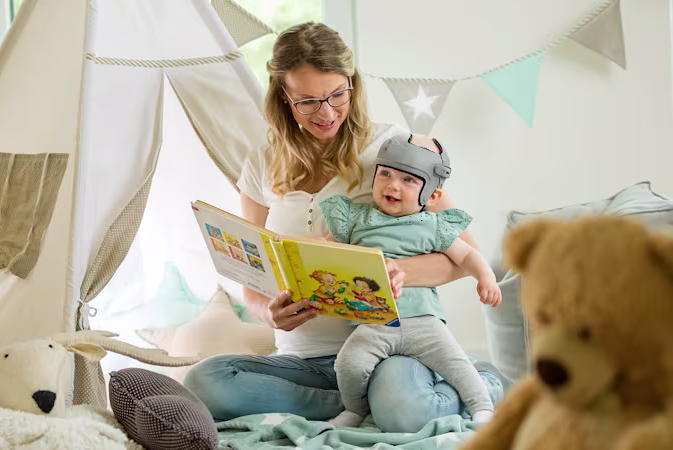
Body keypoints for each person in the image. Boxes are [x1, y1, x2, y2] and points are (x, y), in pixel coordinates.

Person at [183, 21, 505, 432]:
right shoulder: (261, 162)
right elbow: (254, 276)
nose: (327, 112)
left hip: (390, 349)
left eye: (338, 94)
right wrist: (268, 313)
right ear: (284, 97)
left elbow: (463, 254)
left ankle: (477, 386)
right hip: (306, 360)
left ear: (352, 83)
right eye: (308, 101)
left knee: (402, 407)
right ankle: (363, 401)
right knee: (205, 382)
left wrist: (391, 272)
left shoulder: (392, 150)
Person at [321, 133, 501, 428]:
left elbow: (467, 255)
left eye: (408, 180)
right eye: (386, 174)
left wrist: (486, 277)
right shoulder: (356, 220)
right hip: (374, 323)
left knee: (457, 364)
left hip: (423, 322)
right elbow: (325, 247)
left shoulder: (431, 224)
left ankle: (483, 407)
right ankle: (355, 410)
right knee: (348, 363)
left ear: (431, 196)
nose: (393, 184)